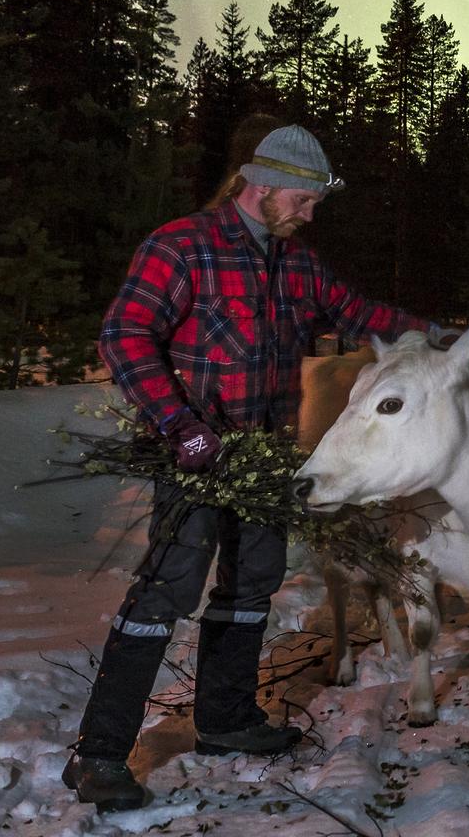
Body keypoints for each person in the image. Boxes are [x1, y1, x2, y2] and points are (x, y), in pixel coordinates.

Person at [64, 124, 441, 812]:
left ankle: (227, 721)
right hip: (195, 453)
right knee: (168, 588)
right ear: (261, 190)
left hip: (264, 455)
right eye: (303, 200)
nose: (310, 213)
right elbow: (124, 335)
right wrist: (181, 426)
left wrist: (428, 338)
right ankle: (98, 754)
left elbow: (355, 311)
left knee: (253, 582)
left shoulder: (294, 264)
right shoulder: (182, 247)